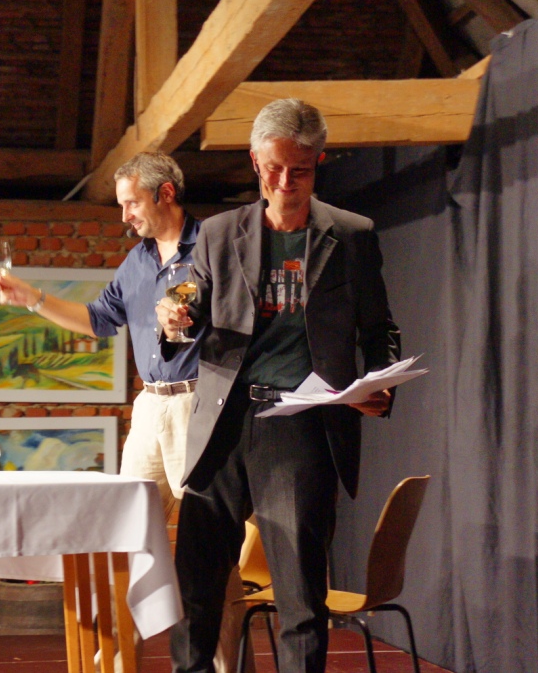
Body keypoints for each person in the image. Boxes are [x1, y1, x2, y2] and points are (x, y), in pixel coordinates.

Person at [156, 99, 401, 673]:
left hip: (301, 425)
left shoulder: (351, 235)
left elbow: (380, 329)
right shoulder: (219, 233)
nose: (285, 183)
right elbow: (187, 299)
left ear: (319, 164)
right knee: (195, 593)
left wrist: (382, 381)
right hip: (222, 424)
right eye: (274, 169)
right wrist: (171, 317)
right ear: (254, 162)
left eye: (301, 171)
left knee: (299, 600)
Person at [0, 151, 248, 673]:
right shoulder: (137, 262)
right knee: (122, 538)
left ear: (165, 194)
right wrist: (31, 298)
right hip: (150, 410)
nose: (124, 215)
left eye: (132, 203)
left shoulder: (214, 245)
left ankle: (225, 666)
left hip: (201, 407)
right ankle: (118, 660)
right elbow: (97, 320)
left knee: (212, 550)